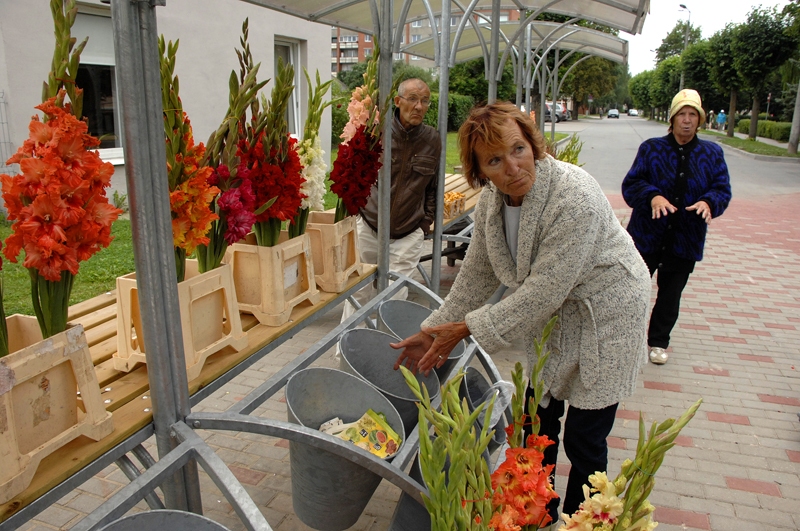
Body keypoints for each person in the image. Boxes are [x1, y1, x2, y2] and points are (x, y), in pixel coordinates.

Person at [391, 102, 651, 524]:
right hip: (557, 311)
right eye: (495, 160)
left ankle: (580, 521)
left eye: (518, 149)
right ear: (481, 174)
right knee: (534, 424)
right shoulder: (495, 200)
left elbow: (541, 293)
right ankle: (530, 514)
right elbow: (477, 273)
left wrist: (466, 328)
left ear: (532, 143)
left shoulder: (574, 197)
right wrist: (432, 329)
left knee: (586, 436)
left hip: (608, 311)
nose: (512, 167)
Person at [622, 89, 732, 365]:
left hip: (685, 239)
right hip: (646, 237)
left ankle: (658, 343)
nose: (686, 120)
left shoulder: (712, 153)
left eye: (692, 114)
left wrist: (709, 202)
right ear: (672, 118)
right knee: (633, 289)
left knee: (670, 295)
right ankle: (625, 339)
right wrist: (653, 196)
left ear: (700, 119)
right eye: (681, 114)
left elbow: (722, 189)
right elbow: (631, 185)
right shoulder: (651, 148)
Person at [340, 78, 441, 323]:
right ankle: (344, 352)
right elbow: (353, 174)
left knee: (395, 297)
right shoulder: (377, 132)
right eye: (413, 99)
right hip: (369, 224)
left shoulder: (432, 139)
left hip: (407, 231)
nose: (419, 106)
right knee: (358, 292)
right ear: (397, 101)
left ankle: (386, 355)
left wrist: (423, 223)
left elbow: (433, 188)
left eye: (425, 101)